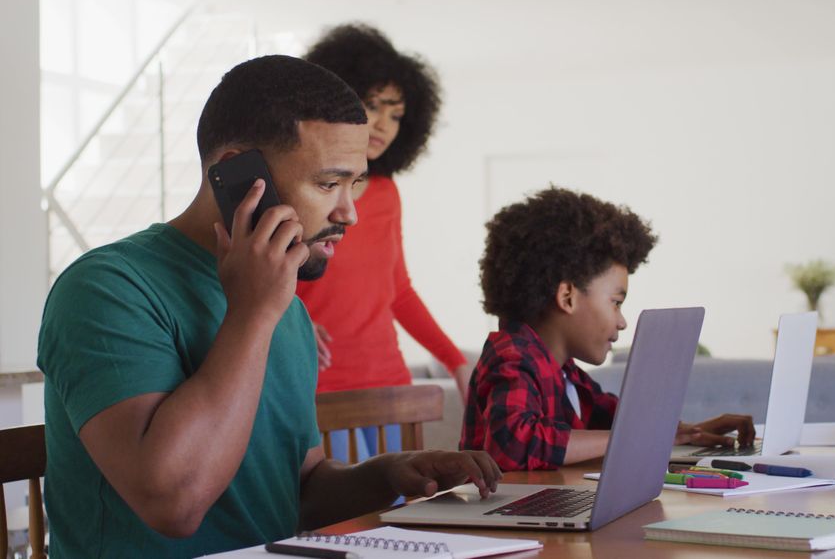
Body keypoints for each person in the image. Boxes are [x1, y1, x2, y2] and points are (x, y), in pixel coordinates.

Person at [37, 55, 500, 558]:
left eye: (355, 183)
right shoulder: (106, 288)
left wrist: (389, 472)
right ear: (237, 173)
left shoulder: (287, 307)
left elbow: (296, 491)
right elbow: (173, 504)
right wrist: (253, 314)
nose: (350, 213)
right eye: (328, 184)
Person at [459, 187, 756, 471]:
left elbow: (626, 422)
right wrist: (638, 437)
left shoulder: (568, 375)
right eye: (615, 303)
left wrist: (690, 431)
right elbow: (513, 443)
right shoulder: (511, 356)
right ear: (567, 297)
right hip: (501, 520)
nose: (622, 321)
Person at [297, 23, 468, 461]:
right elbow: (256, 278)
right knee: (334, 524)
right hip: (318, 389)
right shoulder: (300, 188)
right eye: (372, 105)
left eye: (395, 115)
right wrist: (288, 317)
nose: (383, 125)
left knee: (397, 518)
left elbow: (400, 293)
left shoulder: (388, 194)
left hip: (391, 391)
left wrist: (456, 361)